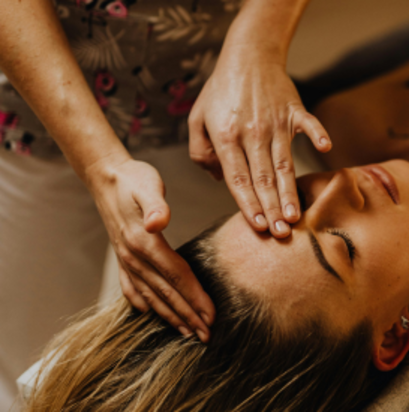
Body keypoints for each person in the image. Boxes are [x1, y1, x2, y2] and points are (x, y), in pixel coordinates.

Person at [21, 0, 409, 409]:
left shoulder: (345, 122)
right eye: (341, 247)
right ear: (391, 335)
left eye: (293, 201)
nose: (339, 187)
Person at [0, 0, 331, 407]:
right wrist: (101, 166)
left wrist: (259, 41)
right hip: (32, 98)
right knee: (27, 353)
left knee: (221, 335)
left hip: (208, 100)